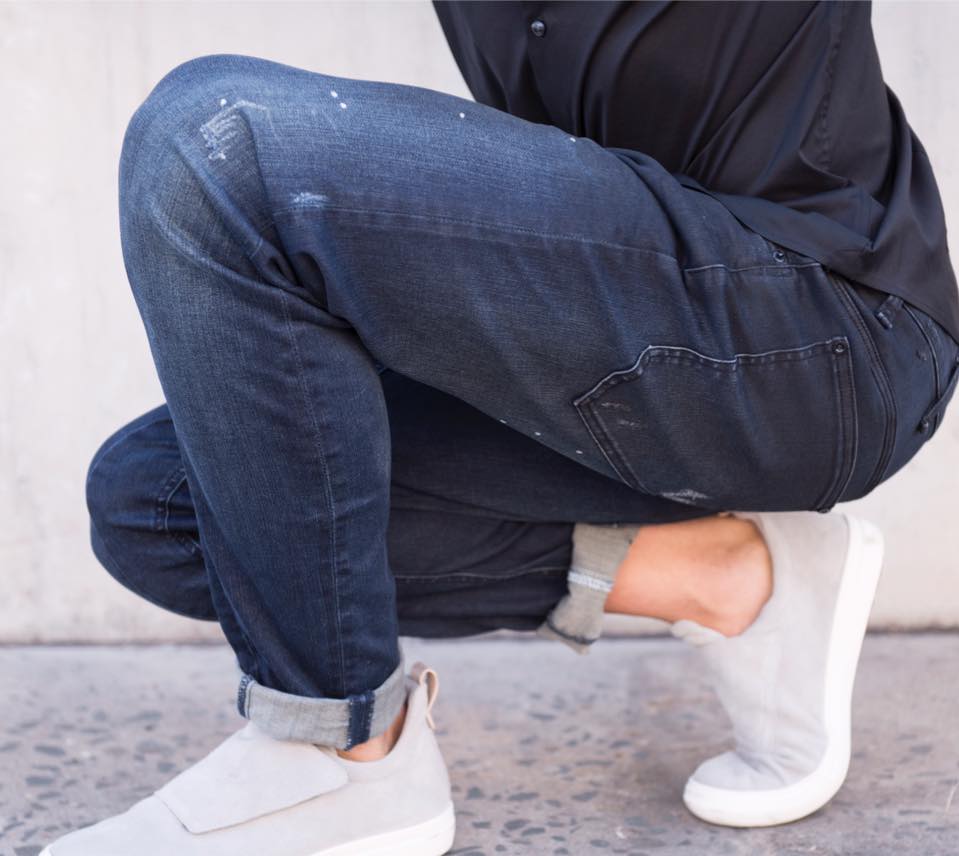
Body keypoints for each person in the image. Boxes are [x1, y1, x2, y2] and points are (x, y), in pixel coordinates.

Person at [43, 1, 959, 853]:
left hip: (823, 335)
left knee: (216, 144)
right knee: (160, 506)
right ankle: (730, 579)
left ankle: (339, 756)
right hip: (634, 336)